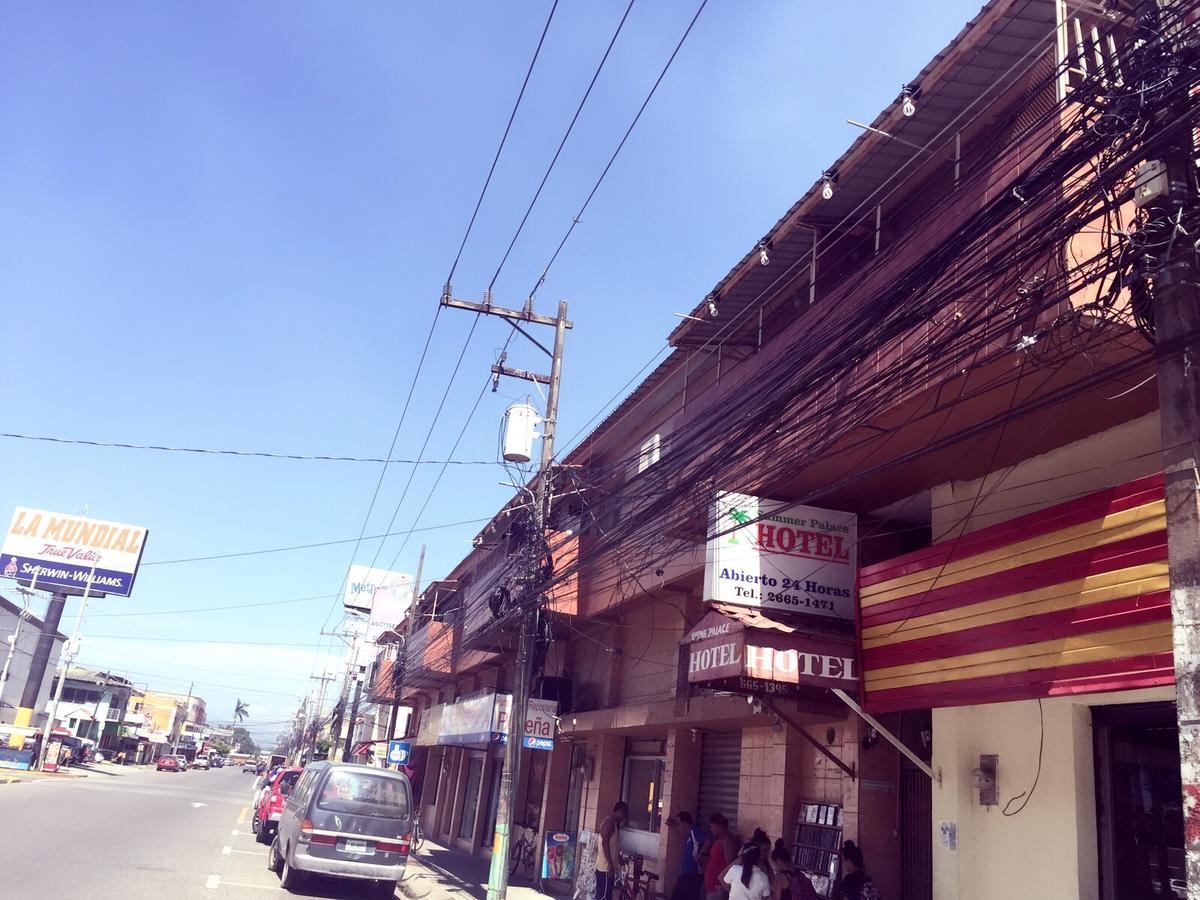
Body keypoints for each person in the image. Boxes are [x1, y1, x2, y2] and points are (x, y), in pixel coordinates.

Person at [666, 811, 707, 900]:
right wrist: (673, 826)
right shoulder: (688, 835)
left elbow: (707, 841)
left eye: (679, 823)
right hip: (685, 873)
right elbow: (681, 837)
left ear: (685, 823)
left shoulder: (695, 832)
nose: (678, 826)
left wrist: (700, 854)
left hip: (692, 873)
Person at [595, 801, 628, 900]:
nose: (624, 818)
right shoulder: (609, 823)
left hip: (609, 869)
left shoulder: (615, 825)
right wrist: (610, 866)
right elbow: (605, 845)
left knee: (607, 895)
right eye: (624, 814)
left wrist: (619, 859)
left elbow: (613, 846)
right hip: (605, 869)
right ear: (620, 811)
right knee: (603, 897)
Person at [702, 813, 738, 900]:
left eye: (712, 826)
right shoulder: (719, 839)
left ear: (720, 826)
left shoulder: (727, 840)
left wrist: (723, 884)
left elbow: (730, 866)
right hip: (711, 884)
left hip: (718, 886)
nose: (711, 829)